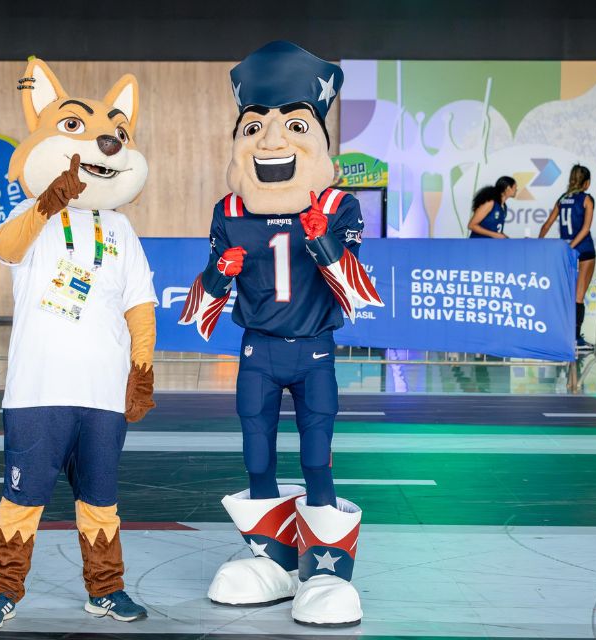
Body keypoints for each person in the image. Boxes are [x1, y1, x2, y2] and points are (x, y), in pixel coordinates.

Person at [178, 41, 383, 627]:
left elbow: (356, 285)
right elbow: (206, 295)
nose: (271, 142)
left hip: (314, 349)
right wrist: (221, 271)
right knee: (256, 454)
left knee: (318, 457)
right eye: (255, 126)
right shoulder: (230, 207)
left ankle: (325, 566)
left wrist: (322, 239)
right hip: (257, 348)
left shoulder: (339, 203)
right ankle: (269, 558)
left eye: (293, 125)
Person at [0, 57, 157, 630]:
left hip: (102, 391)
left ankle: (106, 590)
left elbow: (138, 302)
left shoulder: (121, 229)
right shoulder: (33, 214)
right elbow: (5, 246)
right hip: (38, 389)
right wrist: (49, 200)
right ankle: (2, 592)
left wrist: (141, 368)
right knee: (21, 501)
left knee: (101, 501)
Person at [539, 164, 596, 351]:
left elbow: (546, 225)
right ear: (586, 183)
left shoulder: (562, 199)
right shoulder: (586, 199)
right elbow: (585, 228)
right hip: (584, 250)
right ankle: (575, 339)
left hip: (565, 251)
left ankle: (562, 335)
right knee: (578, 296)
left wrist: (540, 245)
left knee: (564, 295)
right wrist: (573, 246)